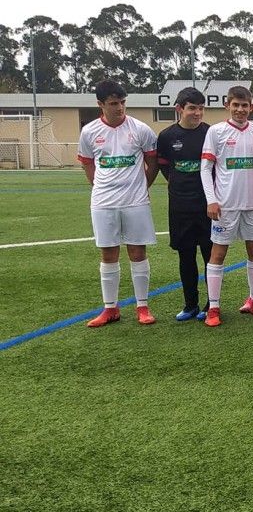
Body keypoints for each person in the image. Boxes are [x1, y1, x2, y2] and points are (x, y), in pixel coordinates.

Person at [78, 79, 159, 327]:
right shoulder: (89, 132)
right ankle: (110, 308)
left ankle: (142, 307)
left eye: (123, 102)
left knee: (137, 251)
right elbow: (88, 164)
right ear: (100, 104)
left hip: (135, 201)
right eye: (114, 103)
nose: (120, 108)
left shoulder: (141, 129)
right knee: (108, 252)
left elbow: (152, 162)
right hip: (103, 202)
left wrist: (141, 186)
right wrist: (101, 188)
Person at [199, 85, 253, 326]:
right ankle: (214, 308)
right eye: (235, 105)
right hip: (226, 206)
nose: (240, 110)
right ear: (227, 105)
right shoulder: (216, 132)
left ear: (251, 107)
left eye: (244, 105)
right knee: (218, 253)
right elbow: (206, 168)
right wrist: (212, 200)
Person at [154, 86, 211, 321]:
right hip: (179, 206)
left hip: (207, 205)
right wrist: (179, 184)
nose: (197, 113)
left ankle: (212, 304)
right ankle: (190, 305)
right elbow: (165, 166)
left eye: (200, 108)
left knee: (211, 256)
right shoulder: (167, 136)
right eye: (192, 108)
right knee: (186, 256)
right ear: (179, 109)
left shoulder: (211, 133)